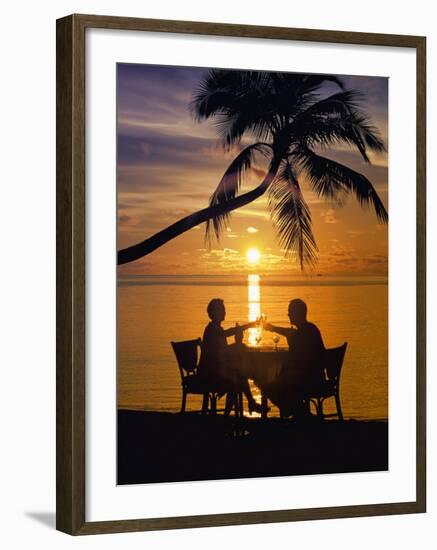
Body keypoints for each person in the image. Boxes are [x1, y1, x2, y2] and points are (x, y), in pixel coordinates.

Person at [198, 298, 265, 414]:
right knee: (237, 379)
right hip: (209, 375)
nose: (224, 312)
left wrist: (237, 341)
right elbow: (225, 336)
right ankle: (244, 406)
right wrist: (248, 326)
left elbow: (224, 350)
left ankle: (239, 409)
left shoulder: (216, 329)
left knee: (238, 376)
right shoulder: (212, 330)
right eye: (221, 310)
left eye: (224, 310)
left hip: (215, 371)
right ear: (213, 313)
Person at [261, 299, 325, 418]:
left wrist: (271, 328)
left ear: (298, 313)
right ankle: (301, 413)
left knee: (268, 387)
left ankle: (299, 413)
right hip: (317, 378)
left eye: (290, 312)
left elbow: (291, 337)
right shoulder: (311, 329)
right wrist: (271, 328)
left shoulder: (302, 333)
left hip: (308, 381)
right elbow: (289, 332)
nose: (288, 314)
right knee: (281, 381)